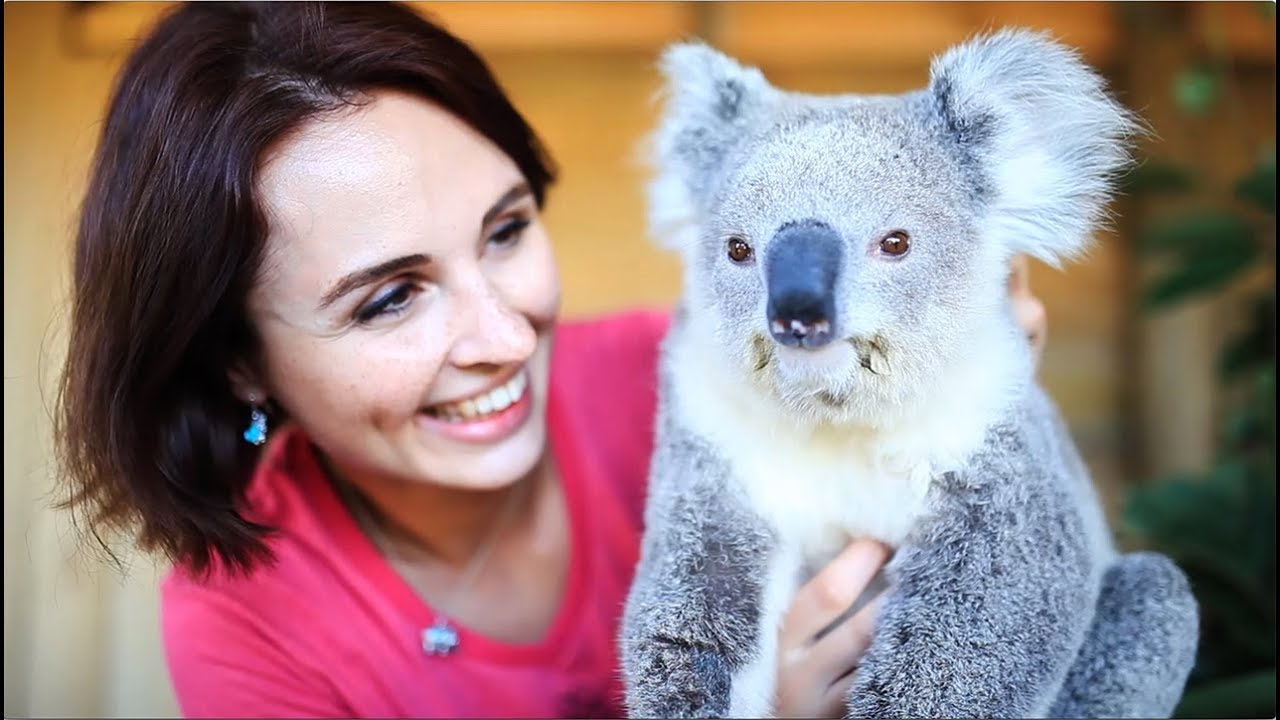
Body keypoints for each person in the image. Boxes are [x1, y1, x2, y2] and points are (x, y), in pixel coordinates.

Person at [55, 3, 1055, 718]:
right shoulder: (248, 625)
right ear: (239, 362)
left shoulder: (690, 379)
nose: (505, 335)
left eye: (503, 232)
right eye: (390, 297)